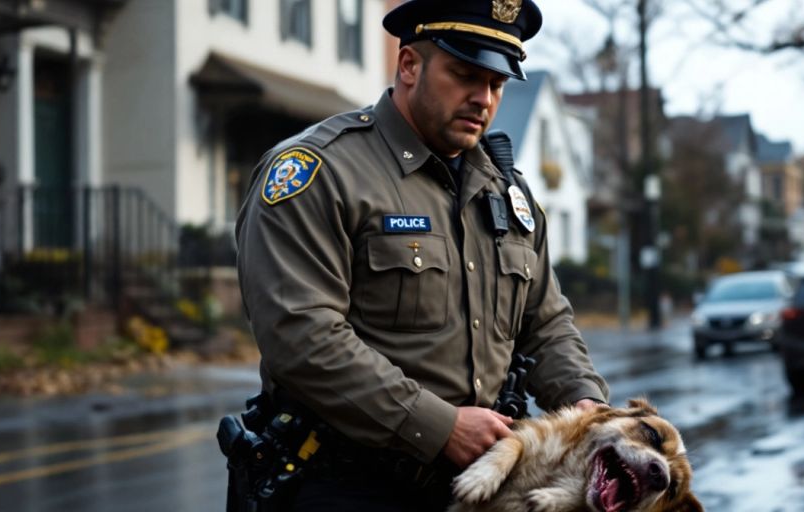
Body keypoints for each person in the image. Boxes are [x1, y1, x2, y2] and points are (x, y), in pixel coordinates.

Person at [234, 0, 609, 509]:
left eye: (497, 85)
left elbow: (544, 322)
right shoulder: (321, 171)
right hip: (348, 484)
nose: (483, 98)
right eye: (465, 75)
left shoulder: (505, 191)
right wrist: (438, 426)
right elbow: (300, 334)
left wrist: (589, 410)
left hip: (478, 486)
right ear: (409, 64)